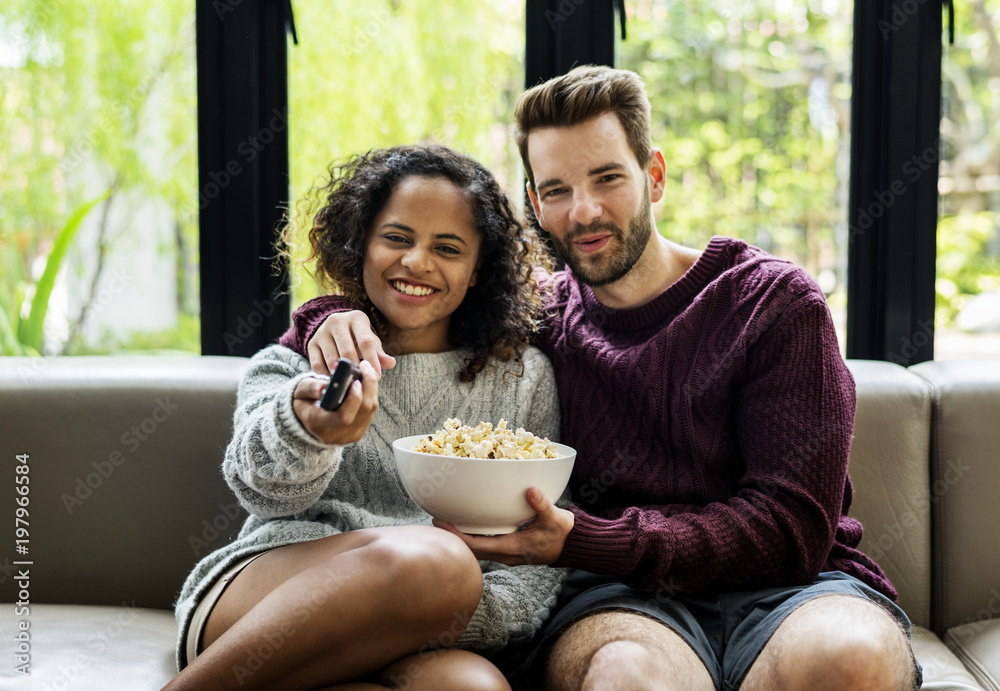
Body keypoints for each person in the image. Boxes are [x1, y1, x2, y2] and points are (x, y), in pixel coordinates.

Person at [281, 67, 924, 691]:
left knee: (852, 663)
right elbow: (412, 302)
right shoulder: (536, 314)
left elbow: (790, 527)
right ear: (535, 203)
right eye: (556, 190)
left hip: (793, 588)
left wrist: (591, 538)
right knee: (626, 680)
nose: (583, 212)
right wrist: (332, 314)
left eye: (607, 178)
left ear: (655, 175)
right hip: (621, 600)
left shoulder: (773, 304)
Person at [164, 145, 567, 691]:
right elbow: (257, 489)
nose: (417, 262)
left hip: (426, 624)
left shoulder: (524, 380)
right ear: (361, 246)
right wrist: (308, 432)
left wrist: (418, 613)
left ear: (477, 272)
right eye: (397, 238)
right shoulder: (298, 362)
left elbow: (539, 548)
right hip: (264, 595)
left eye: (447, 248)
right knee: (442, 560)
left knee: (473, 687)